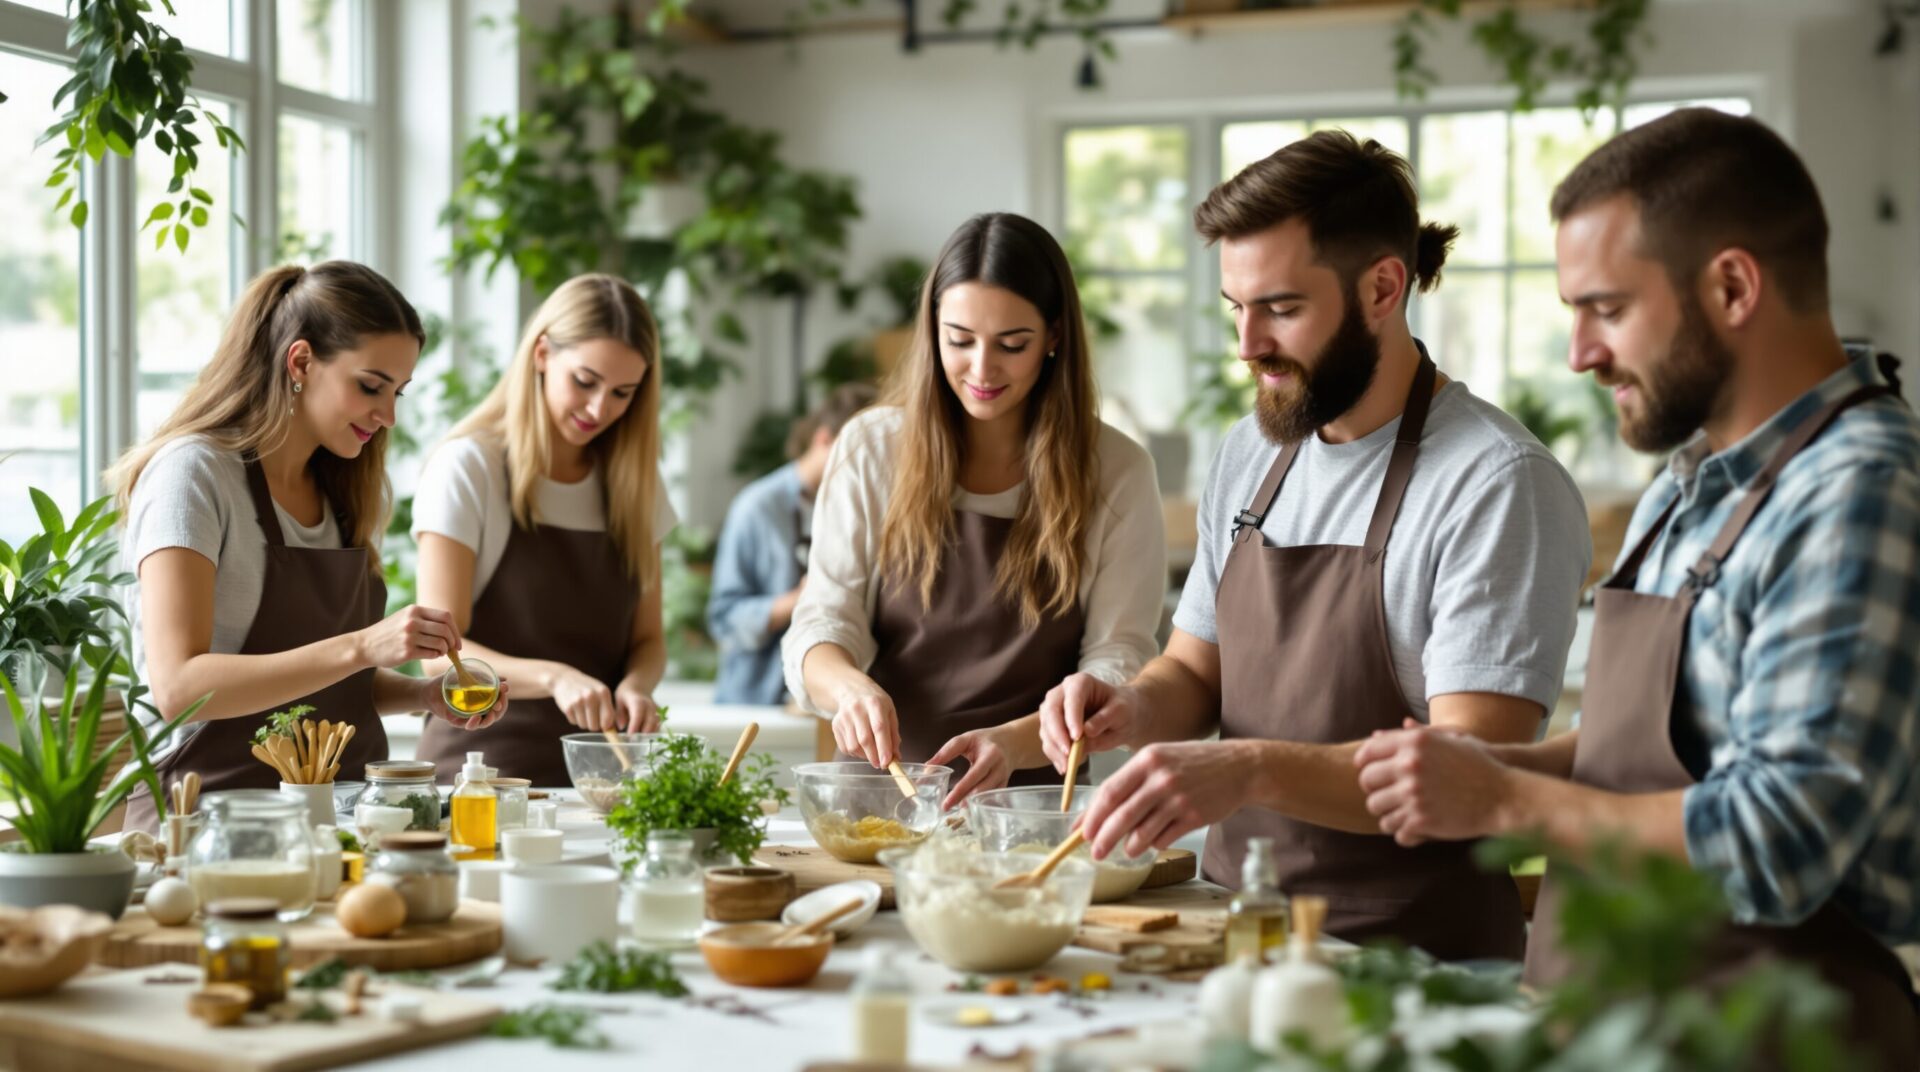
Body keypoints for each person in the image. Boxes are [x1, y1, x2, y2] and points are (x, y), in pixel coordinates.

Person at [1354, 109, 1919, 1060]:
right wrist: (1492, 770)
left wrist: (1501, 806)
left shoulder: (1858, 489)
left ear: (1733, 286)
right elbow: (1651, 746)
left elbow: (1774, 844)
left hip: (1774, 1037)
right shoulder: (1691, 473)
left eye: (1606, 308)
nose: (1579, 354)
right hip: (1619, 1020)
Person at [1043, 131, 1591, 960]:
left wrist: (1248, 769)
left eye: (1281, 309)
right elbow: (1194, 671)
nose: (1247, 345)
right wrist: (1125, 709)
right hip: (1231, 930)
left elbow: (1472, 770)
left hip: (1411, 965)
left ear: (1381, 287)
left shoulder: (1496, 482)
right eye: (1236, 308)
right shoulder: (1253, 451)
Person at [782, 213, 1166, 804]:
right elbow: (823, 620)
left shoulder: (1116, 471)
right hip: (878, 802)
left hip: (1030, 809)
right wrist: (851, 690)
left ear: (1055, 336)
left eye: (1012, 345)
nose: (982, 369)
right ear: (932, 332)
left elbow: (1120, 659)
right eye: (959, 340)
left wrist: (1014, 743)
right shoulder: (871, 448)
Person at [114, 261, 508, 833]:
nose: (389, 414)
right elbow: (179, 688)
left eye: (398, 391)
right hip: (208, 824)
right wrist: (362, 645)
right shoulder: (192, 475)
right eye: (370, 386)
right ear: (300, 362)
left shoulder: (342, 493)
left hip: (341, 823)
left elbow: (327, 688)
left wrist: (423, 694)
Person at [411, 274, 674, 785]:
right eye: (585, 381)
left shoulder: (636, 484)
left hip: (601, 782)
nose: (600, 409)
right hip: (481, 777)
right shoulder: (470, 468)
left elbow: (649, 639)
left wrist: (638, 687)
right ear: (542, 355)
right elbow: (440, 658)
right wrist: (554, 678)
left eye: (623, 393)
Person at [708, 383, 878, 705]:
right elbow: (723, 621)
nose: (865, 474)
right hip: (758, 704)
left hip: (831, 707)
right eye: (857, 459)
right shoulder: (757, 507)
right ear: (823, 439)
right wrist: (801, 598)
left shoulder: (865, 510)